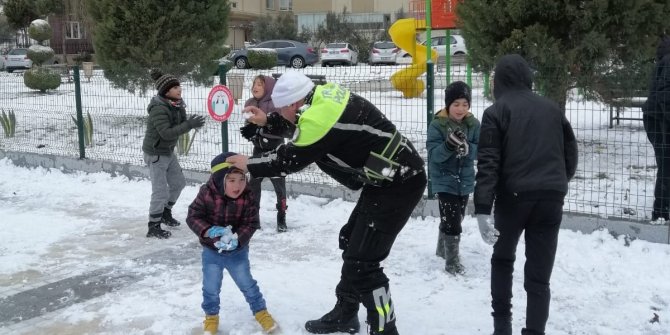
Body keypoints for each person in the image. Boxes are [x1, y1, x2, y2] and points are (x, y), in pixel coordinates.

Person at [226, 71, 426, 335]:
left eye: (278, 108)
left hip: (400, 183)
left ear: (293, 103)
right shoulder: (320, 96)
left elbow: (287, 160)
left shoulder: (318, 120)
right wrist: (267, 121)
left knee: (363, 263)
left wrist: (249, 163)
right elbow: (303, 124)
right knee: (351, 240)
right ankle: (346, 312)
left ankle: (385, 329)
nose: (277, 111)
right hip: (386, 178)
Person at [474, 54, 578, 335]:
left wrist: (483, 209)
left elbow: (488, 163)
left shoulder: (496, 112)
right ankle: (535, 331)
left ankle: (502, 326)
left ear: (500, 81)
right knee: (539, 275)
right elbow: (570, 154)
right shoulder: (553, 109)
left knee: (503, 259)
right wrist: (555, 184)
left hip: (513, 198)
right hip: (551, 198)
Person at [186, 152, 277, 335]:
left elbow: (251, 223)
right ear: (220, 179)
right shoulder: (207, 193)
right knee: (210, 287)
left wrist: (238, 239)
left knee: (247, 283)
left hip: (237, 253)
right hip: (212, 252)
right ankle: (211, 317)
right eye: (232, 180)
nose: (238, 185)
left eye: (242, 179)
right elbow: (193, 216)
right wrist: (208, 231)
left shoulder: (248, 196)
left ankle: (261, 313)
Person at [142, 69, 206, 239]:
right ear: (166, 91)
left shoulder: (176, 105)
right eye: (175, 87)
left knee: (178, 183)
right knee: (160, 191)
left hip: (168, 151)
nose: (179, 89)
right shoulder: (158, 109)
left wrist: (191, 122)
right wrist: (189, 125)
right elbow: (166, 133)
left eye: (179, 85)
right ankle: (153, 225)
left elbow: (181, 124)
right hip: (155, 153)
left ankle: (165, 212)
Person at [426, 81, 480, 275]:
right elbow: (434, 156)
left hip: (464, 180)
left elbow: (479, 150)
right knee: (453, 221)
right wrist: (449, 146)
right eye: (456, 104)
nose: (461, 109)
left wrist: (468, 149)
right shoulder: (437, 125)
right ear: (448, 104)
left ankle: (442, 249)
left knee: (458, 216)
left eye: (465, 104)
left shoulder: (473, 124)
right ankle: (452, 263)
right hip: (444, 180)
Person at [240, 74, 289, 232]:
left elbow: (281, 127)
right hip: (258, 149)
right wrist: (250, 130)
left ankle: (281, 217)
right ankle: (254, 218)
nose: (256, 87)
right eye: (254, 84)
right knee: (254, 185)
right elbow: (248, 123)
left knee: (279, 186)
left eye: (260, 84)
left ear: (268, 88)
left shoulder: (276, 104)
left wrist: (263, 127)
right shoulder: (250, 103)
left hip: (276, 150)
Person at [642, 35, 670, 221]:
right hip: (660, 119)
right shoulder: (669, 61)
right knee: (667, 165)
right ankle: (660, 212)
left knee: (666, 165)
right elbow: (663, 95)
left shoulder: (666, 59)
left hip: (657, 117)